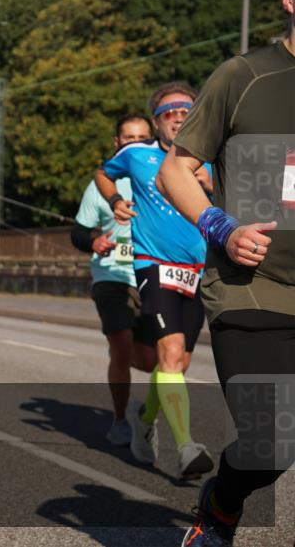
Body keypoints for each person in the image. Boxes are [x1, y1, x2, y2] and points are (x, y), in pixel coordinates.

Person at [161, 0, 294, 547]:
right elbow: (175, 171)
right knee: (270, 443)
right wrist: (221, 225)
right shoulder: (245, 77)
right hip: (253, 286)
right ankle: (221, 503)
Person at [95, 82, 215, 481]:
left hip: (198, 270)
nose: (179, 116)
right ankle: (185, 448)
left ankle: (144, 417)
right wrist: (115, 201)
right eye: (169, 112)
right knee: (170, 351)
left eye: (186, 111)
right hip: (153, 265)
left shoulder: (213, 160)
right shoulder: (136, 154)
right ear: (156, 122)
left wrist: (217, 188)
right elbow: (102, 172)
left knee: (178, 362)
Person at [70, 113, 156, 444]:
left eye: (142, 138)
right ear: (117, 143)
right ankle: (120, 420)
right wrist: (93, 242)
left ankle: (139, 412)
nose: (135, 144)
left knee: (150, 362)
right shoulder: (103, 183)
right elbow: (77, 231)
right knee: (120, 345)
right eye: (128, 138)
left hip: (150, 274)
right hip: (112, 275)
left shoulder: (163, 175)